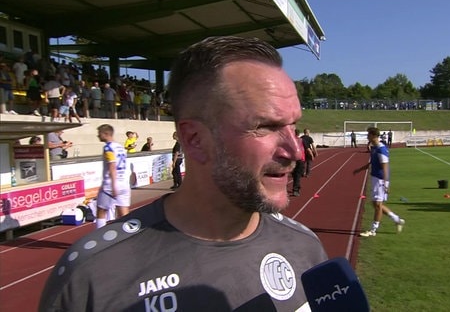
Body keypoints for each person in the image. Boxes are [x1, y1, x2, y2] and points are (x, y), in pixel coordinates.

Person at [40, 36, 328, 311]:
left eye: (293, 126)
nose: (296, 152)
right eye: (266, 126)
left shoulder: (306, 248)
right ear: (195, 140)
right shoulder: (92, 276)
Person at [354, 127, 405, 236]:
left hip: (380, 180)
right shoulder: (374, 148)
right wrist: (360, 169)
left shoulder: (381, 149)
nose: (367, 137)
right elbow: (372, 163)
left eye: (368, 135)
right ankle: (397, 220)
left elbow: (385, 166)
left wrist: (386, 183)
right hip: (375, 178)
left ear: (373, 135)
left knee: (377, 204)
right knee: (376, 204)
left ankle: (373, 230)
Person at [94, 124, 131, 228]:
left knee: (101, 212)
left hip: (110, 185)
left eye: (99, 134)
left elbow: (112, 166)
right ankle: (126, 236)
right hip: (124, 183)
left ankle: (98, 237)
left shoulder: (108, 148)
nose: (98, 136)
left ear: (106, 134)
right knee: (124, 214)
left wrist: (114, 185)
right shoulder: (121, 147)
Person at [291, 129, 306, 196]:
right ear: (299, 134)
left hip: (292, 159)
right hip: (300, 159)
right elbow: (307, 149)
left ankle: (296, 187)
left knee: (295, 174)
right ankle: (296, 189)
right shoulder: (301, 140)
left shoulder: (290, 140)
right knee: (297, 175)